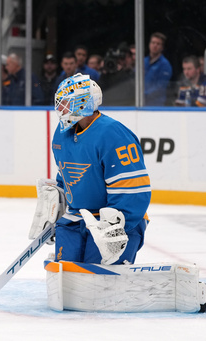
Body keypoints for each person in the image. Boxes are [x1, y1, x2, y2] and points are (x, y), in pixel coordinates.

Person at [29, 73, 151, 266]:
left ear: (83, 103)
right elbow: (67, 175)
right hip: (76, 218)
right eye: (60, 103)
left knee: (99, 279)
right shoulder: (61, 135)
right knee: (66, 272)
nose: (61, 108)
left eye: (66, 102)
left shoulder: (113, 134)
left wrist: (117, 226)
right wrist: (56, 203)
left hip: (114, 222)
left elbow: (133, 189)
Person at [144, 32, 172, 106]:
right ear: (149, 44)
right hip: (140, 103)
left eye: (158, 44)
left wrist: (144, 94)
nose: (155, 45)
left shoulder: (165, 65)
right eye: (153, 42)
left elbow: (160, 86)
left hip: (156, 105)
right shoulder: (143, 61)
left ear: (162, 47)